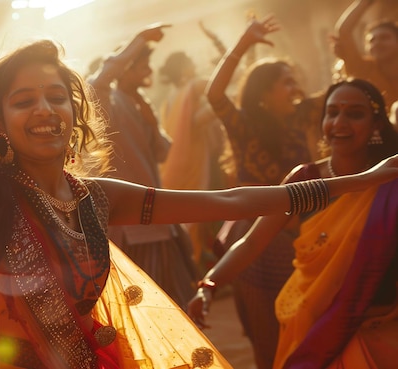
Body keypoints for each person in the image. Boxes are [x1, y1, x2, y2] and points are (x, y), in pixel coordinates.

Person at [0, 36, 398, 368]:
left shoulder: (98, 199)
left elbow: (231, 198)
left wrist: (352, 183)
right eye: (23, 101)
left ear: (74, 112)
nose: (44, 110)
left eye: (55, 97)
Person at [189, 78, 398, 369]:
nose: (340, 122)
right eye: (332, 111)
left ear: (377, 123)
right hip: (314, 331)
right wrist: (209, 284)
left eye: (355, 113)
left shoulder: (392, 181)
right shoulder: (306, 179)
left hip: (382, 333)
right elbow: (252, 241)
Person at [204, 16, 327, 369]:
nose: (295, 88)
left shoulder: (300, 120)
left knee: (306, 329)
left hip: (298, 241)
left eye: (294, 81)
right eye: (286, 83)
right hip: (255, 244)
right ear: (264, 93)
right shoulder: (244, 127)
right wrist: (243, 44)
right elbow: (215, 94)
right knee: (267, 339)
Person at [88, 24, 199, 308]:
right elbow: (101, 79)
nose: (148, 73)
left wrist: (151, 122)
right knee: (148, 307)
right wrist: (139, 40)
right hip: (135, 228)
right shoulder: (108, 101)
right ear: (124, 68)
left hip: (161, 221)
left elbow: (162, 153)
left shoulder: (139, 103)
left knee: (178, 303)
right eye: (141, 66)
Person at [157, 50, 235, 273]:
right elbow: (219, 88)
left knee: (194, 216)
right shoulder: (192, 87)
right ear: (183, 69)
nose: (194, 64)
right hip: (197, 165)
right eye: (190, 61)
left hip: (180, 166)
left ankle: (200, 267)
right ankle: (208, 269)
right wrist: (220, 105)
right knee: (205, 214)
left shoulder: (171, 99)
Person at [334, 0, 398, 113]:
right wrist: (365, 2)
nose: (377, 43)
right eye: (371, 41)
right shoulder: (363, 68)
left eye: (385, 37)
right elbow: (344, 31)